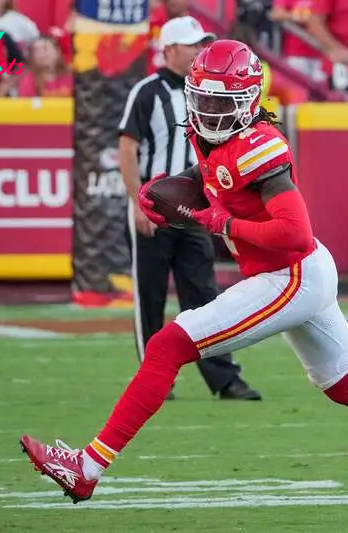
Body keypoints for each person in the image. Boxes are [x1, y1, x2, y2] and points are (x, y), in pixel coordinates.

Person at [19, 39, 348, 504]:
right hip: (297, 273)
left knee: (168, 345)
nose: (210, 111)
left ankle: (87, 466)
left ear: (246, 102)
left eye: (222, 103)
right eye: (205, 100)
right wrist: (167, 189)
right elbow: (210, 178)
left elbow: (294, 233)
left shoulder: (261, 149)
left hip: (290, 274)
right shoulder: (208, 134)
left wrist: (222, 222)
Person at [118, 18, 261, 402]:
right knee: (149, 296)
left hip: (196, 208)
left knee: (204, 295)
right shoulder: (147, 91)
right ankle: (155, 378)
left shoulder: (209, 92)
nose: (199, 50)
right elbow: (127, 148)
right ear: (167, 50)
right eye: (190, 44)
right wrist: (137, 203)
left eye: (202, 43)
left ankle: (225, 378)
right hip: (156, 206)